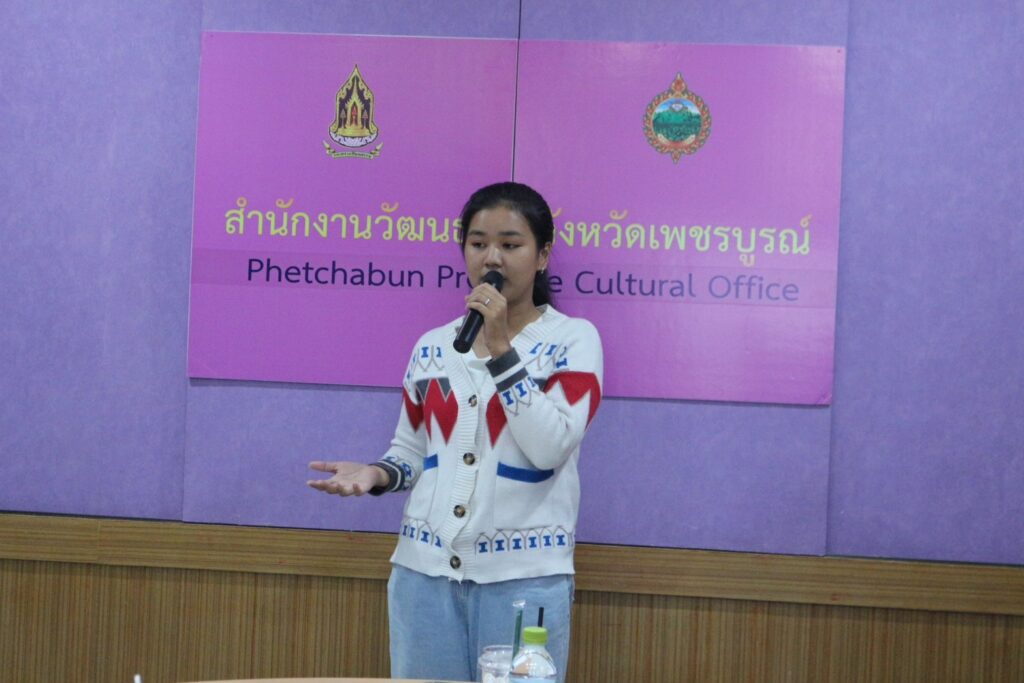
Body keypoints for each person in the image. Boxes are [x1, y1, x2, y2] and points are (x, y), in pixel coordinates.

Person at [308, 181, 603, 682]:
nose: (492, 258)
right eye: (478, 243)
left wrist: (501, 349)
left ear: (542, 255)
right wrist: (378, 474)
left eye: (511, 244)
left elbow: (550, 447)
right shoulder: (432, 347)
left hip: (523, 581)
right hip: (423, 577)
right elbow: (411, 451)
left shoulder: (573, 341)